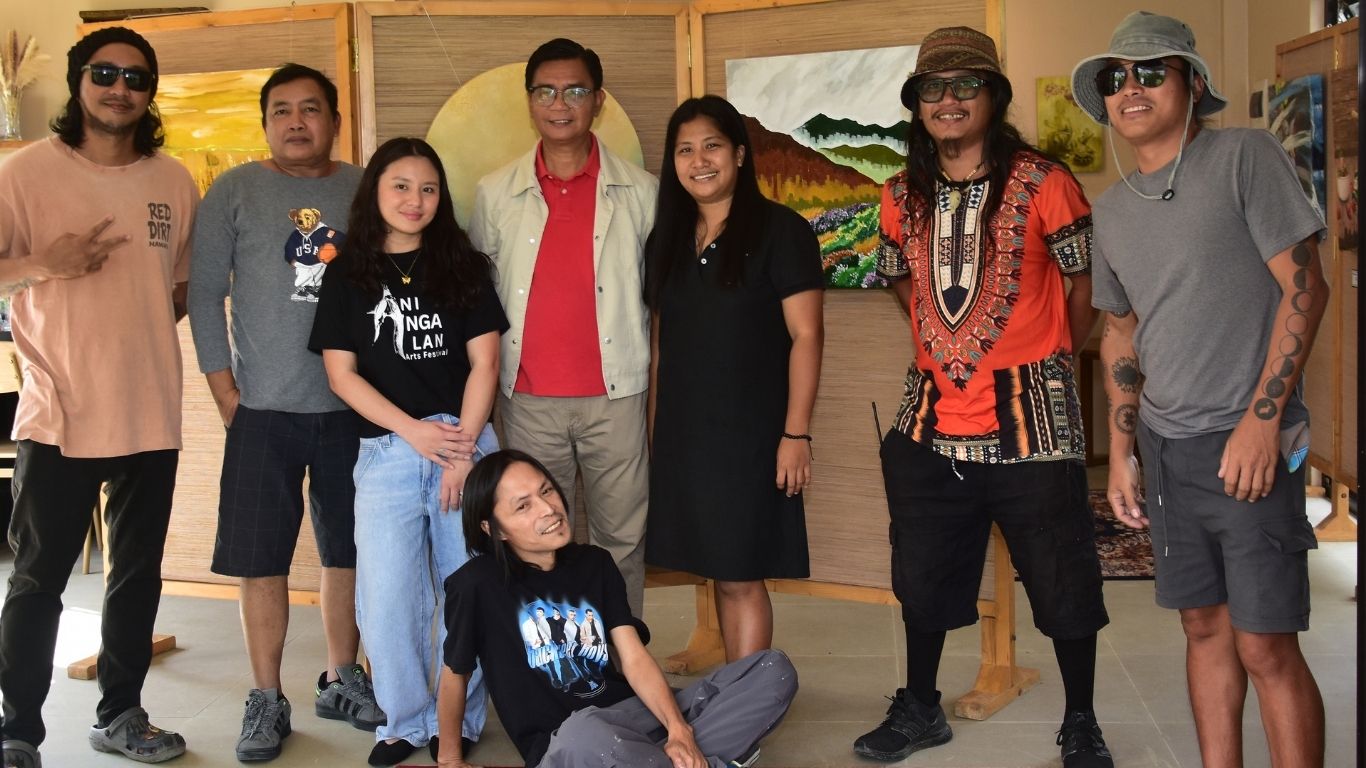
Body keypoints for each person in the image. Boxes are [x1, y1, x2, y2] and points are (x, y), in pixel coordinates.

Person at [1072, 12, 1328, 767]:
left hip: (1248, 440)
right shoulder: (1111, 210)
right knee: (1202, 627)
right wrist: (1122, 452)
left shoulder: (1244, 157)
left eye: (1152, 71)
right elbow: (1120, 332)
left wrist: (1262, 421)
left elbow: (1305, 288)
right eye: (1116, 77)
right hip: (1166, 449)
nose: (1131, 88)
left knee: (1265, 645)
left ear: (1194, 83)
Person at [855, 27, 1112, 767]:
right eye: (933, 88)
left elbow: (1086, 282)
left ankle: (1082, 721)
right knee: (923, 571)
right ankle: (920, 707)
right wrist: (942, 345)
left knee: (1061, 576)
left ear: (994, 96)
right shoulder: (899, 194)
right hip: (930, 419)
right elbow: (902, 279)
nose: (949, 100)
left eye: (966, 85)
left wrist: (1051, 355)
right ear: (917, 104)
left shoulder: (1044, 181)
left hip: (1033, 420)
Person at [0, 27, 197, 768]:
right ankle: (18, 730)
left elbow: (179, 290)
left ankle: (121, 714)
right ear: (79, 79)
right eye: (105, 73)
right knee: (38, 580)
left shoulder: (173, 180)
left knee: (136, 576)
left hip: (150, 411)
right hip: (60, 414)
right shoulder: (24, 174)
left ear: (151, 93)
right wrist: (41, 264)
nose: (120, 88)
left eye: (136, 78)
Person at [187, 63, 382, 762]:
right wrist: (225, 393)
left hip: (352, 408)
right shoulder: (234, 190)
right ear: (266, 122)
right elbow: (204, 294)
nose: (296, 122)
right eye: (281, 111)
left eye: (310, 109)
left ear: (335, 120)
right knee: (260, 559)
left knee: (349, 550)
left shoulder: (365, 188)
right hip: (262, 411)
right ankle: (266, 696)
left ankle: (342, 676)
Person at [308, 137, 508, 766]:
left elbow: (486, 363)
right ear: (375, 191)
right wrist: (412, 431)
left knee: (467, 589)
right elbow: (341, 375)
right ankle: (404, 722)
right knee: (388, 597)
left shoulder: (464, 267)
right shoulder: (347, 273)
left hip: (463, 442)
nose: (414, 200)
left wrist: (462, 450)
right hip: (388, 449)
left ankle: (459, 719)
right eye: (400, 185)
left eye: (428, 188)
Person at [436, 449, 797, 768]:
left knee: (772, 669)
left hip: (634, 717)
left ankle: (669, 756)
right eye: (523, 506)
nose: (548, 508)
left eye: (546, 490)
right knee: (584, 735)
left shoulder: (594, 563)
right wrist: (449, 760)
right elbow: (455, 674)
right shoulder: (476, 585)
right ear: (494, 529)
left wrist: (678, 729)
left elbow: (632, 656)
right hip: (570, 743)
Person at [468, 38, 657, 618]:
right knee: (532, 540)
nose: (560, 104)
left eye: (575, 90)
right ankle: (548, 657)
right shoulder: (495, 193)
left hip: (616, 397)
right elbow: (478, 298)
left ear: (598, 100)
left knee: (622, 538)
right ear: (529, 101)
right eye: (545, 91)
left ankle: (623, 658)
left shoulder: (643, 192)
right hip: (528, 399)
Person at [643, 95, 824, 662]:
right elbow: (661, 346)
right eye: (685, 150)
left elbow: (807, 336)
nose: (699, 161)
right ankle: (734, 688)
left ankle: (745, 700)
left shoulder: (781, 231)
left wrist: (796, 434)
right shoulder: (665, 239)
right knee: (720, 571)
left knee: (742, 574)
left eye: (712, 146)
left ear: (740, 154)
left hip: (753, 436)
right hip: (686, 435)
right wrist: (653, 435)